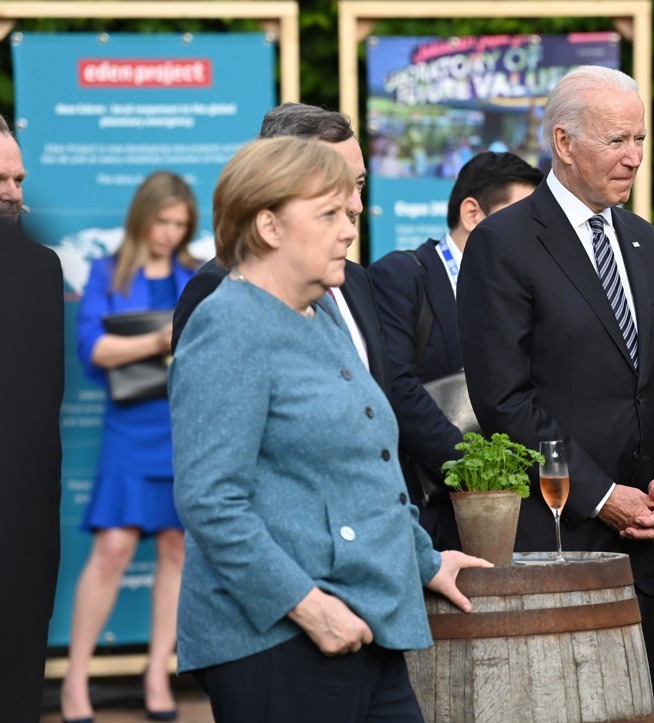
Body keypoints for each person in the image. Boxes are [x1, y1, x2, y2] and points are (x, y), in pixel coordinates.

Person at [170, 136, 489, 721]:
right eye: (329, 215)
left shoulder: (320, 317)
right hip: (279, 637)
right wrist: (307, 607)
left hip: (365, 618)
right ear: (268, 224)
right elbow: (211, 501)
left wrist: (425, 559)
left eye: (349, 212)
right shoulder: (228, 324)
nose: (349, 230)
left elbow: (361, 469)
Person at [456, 65, 654, 719]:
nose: (635, 157)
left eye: (641, 139)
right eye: (618, 139)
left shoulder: (649, 244)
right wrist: (601, 493)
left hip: (648, 537)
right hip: (556, 533)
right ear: (564, 143)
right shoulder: (503, 244)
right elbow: (505, 399)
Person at [62, 171, 201, 722]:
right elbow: (92, 348)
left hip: (184, 428)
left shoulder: (195, 274)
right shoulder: (107, 272)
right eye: (162, 220)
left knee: (177, 549)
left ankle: (157, 674)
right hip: (130, 427)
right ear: (143, 217)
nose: (170, 232)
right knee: (113, 550)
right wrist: (156, 341)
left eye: (180, 224)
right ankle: (74, 680)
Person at [367, 151, 543, 549]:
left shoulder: (524, 292)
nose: (530, 237)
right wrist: (476, 471)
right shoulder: (401, 275)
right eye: (520, 220)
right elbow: (396, 383)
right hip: (427, 513)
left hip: (513, 512)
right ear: (472, 214)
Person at [171, 103, 388, 397]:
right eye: (332, 188)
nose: (356, 206)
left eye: (358, 184)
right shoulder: (219, 290)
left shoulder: (355, 279)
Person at [0, 117, 64, 723]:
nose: (14, 192)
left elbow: (43, 412)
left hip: (21, 552)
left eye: (17, 178)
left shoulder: (40, 269)